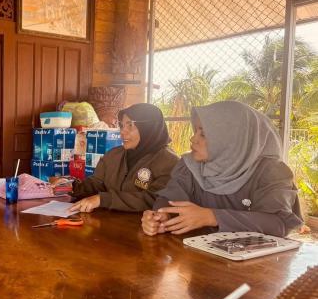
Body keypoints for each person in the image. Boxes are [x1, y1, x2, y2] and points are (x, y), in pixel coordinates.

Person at [141, 101, 303, 237]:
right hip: (199, 257)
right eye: (195, 131)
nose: (192, 139)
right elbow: (169, 199)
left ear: (232, 140)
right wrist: (161, 216)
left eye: (203, 134)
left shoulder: (270, 172)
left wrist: (212, 217)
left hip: (258, 262)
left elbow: (277, 224)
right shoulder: (190, 165)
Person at [53, 103, 178, 213]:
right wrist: (70, 185)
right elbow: (96, 183)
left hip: (143, 228)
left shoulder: (169, 162)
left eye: (130, 125)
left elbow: (154, 199)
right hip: (106, 224)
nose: (122, 131)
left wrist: (104, 199)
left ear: (149, 128)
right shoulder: (114, 155)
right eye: (122, 125)